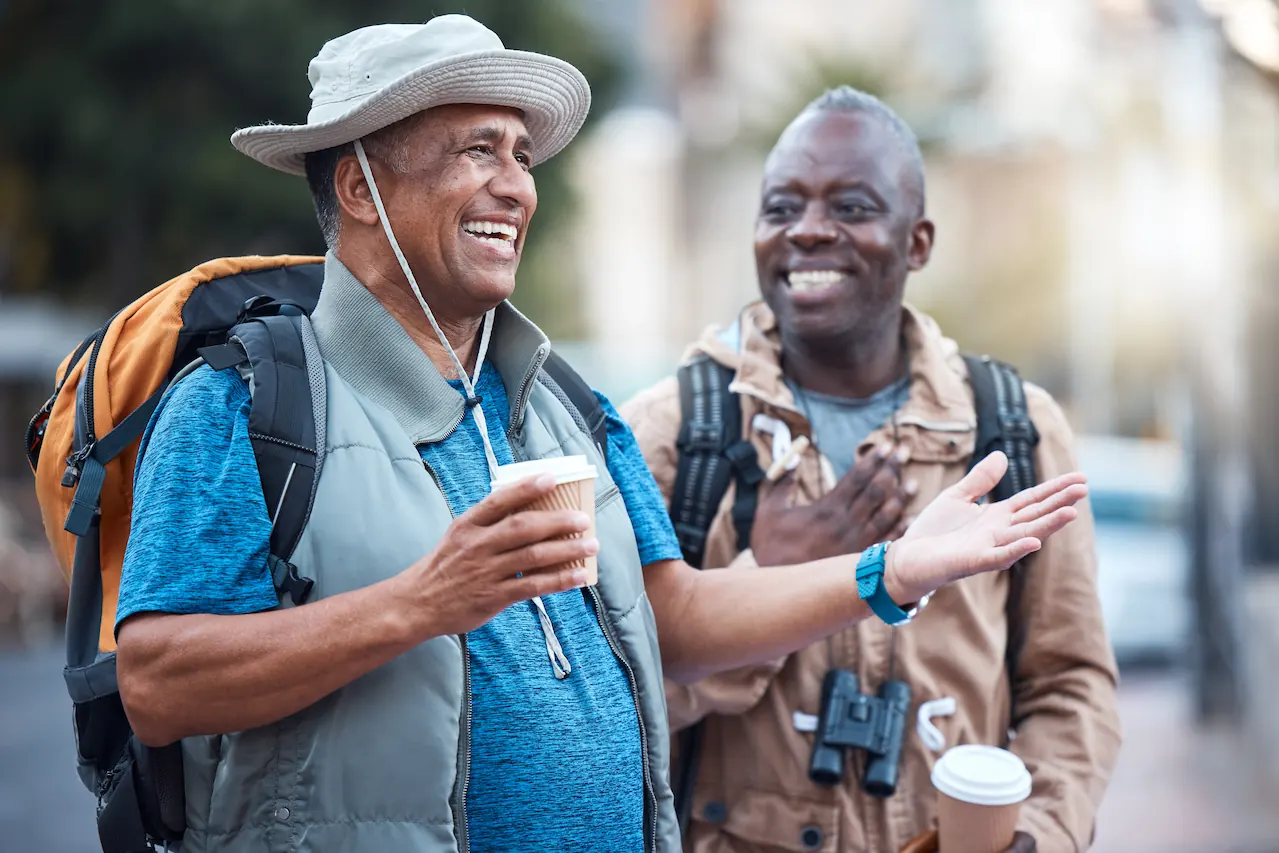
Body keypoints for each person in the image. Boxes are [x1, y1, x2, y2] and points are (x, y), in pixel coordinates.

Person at [113, 19, 1090, 853]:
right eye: (475, 152)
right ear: (362, 187)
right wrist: (422, 601)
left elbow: (680, 622)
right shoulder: (240, 402)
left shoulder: (563, 407)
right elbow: (156, 683)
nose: (514, 187)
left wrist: (889, 571)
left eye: (521, 156)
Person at [623, 87, 1121, 853]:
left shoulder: (1010, 431)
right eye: (781, 206)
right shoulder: (673, 433)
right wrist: (774, 576)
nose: (810, 230)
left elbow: (1070, 681)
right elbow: (616, 701)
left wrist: (1036, 832)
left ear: (917, 242)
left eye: (851, 207)